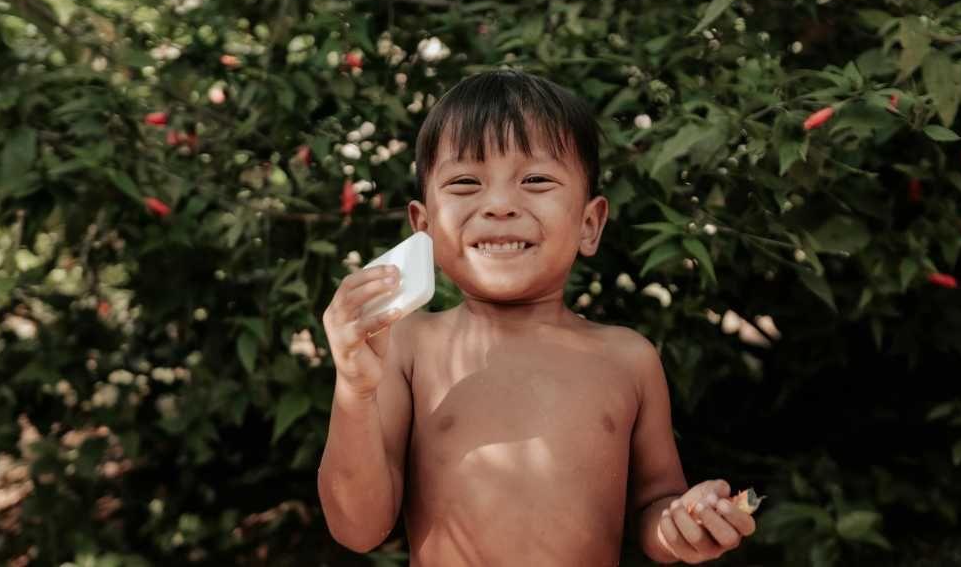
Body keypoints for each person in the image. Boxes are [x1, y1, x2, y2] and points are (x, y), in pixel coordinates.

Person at [318, 70, 755, 565]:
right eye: (465, 183)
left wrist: (683, 526)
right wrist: (354, 392)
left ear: (589, 225)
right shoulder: (408, 345)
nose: (500, 205)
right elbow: (357, 529)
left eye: (536, 180)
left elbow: (653, 509)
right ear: (424, 227)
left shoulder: (628, 359)